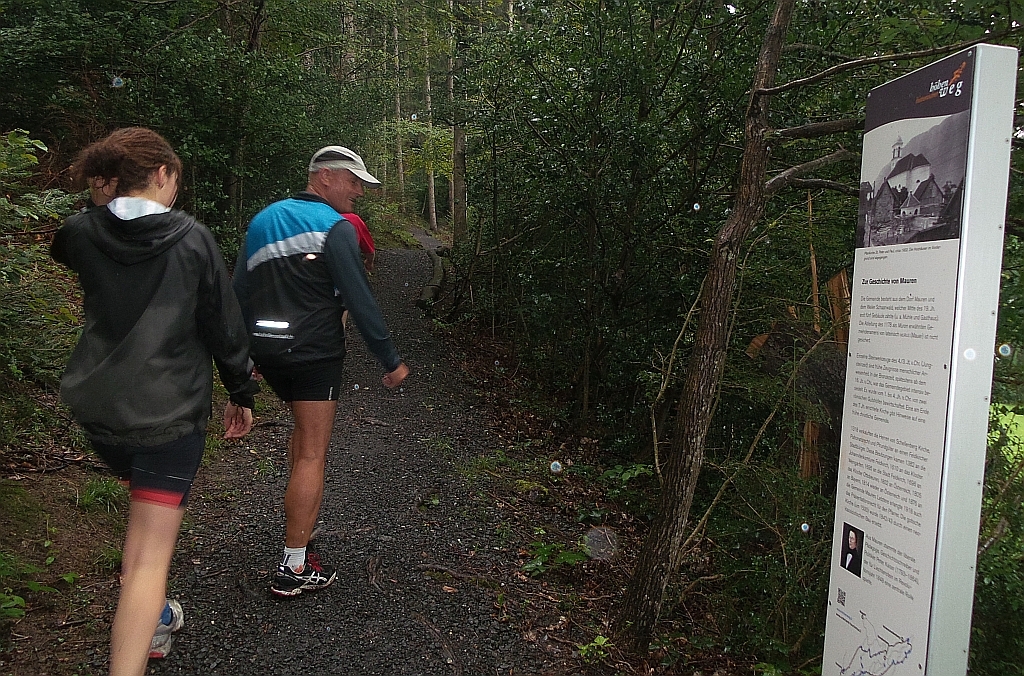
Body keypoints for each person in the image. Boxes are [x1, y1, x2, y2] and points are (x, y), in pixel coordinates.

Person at [51, 127, 259, 676]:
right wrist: (241, 391)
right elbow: (223, 322)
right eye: (174, 182)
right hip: (168, 415)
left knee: (141, 521)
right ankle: (142, 636)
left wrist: (102, 200)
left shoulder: (80, 233)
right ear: (163, 175)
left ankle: (155, 614)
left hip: (99, 411)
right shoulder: (192, 239)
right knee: (148, 557)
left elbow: (75, 246)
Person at [232, 145, 409, 597]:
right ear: (325, 177)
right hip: (315, 355)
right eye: (354, 182)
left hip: (269, 356)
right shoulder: (335, 227)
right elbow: (358, 298)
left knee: (301, 438)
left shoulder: (262, 221)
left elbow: (238, 294)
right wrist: (389, 359)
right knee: (313, 452)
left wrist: (242, 362)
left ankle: (302, 536)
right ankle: (294, 566)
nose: (358, 193)